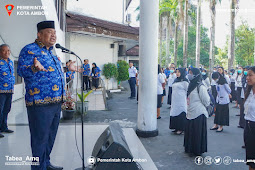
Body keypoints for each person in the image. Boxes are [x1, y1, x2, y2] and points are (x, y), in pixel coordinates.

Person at [17, 21, 75, 170]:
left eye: (54, 32)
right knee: (39, 140)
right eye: (50, 32)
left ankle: (46, 163)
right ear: (39, 34)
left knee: (50, 138)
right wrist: (33, 68)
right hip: (40, 104)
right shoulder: (29, 50)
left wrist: (69, 70)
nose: (54, 35)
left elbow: (55, 75)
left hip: (56, 103)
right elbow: (21, 72)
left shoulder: (51, 53)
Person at [184, 68, 210, 156]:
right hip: (190, 112)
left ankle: (197, 150)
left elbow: (206, 101)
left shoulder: (201, 86)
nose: (189, 75)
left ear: (196, 75)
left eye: (191, 73)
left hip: (199, 113)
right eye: (189, 73)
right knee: (191, 132)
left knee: (197, 133)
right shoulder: (191, 84)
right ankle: (190, 148)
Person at [0, 44, 15, 138]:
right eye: (4, 51)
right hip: (1, 91)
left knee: (6, 109)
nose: (7, 52)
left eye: (8, 51)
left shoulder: (11, 62)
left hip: (9, 90)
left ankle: (4, 127)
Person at [210, 67, 231, 132]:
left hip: (224, 100)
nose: (215, 80)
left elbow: (229, 90)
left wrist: (227, 94)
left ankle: (221, 126)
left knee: (222, 113)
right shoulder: (217, 83)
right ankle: (216, 125)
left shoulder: (224, 82)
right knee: (217, 113)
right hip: (218, 99)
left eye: (215, 79)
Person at [169, 68, 188, 135]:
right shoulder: (175, 80)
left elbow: (187, 91)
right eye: (176, 72)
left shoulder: (185, 81)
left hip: (181, 100)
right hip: (175, 100)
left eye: (179, 72)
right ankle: (175, 127)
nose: (177, 73)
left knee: (181, 112)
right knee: (174, 112)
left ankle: (181, 128)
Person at [243, 66, 255, 170]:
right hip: (248, 128)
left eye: (250, 75)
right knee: (251, 161)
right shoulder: (249, 92)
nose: (247, 78)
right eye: (247, 75)